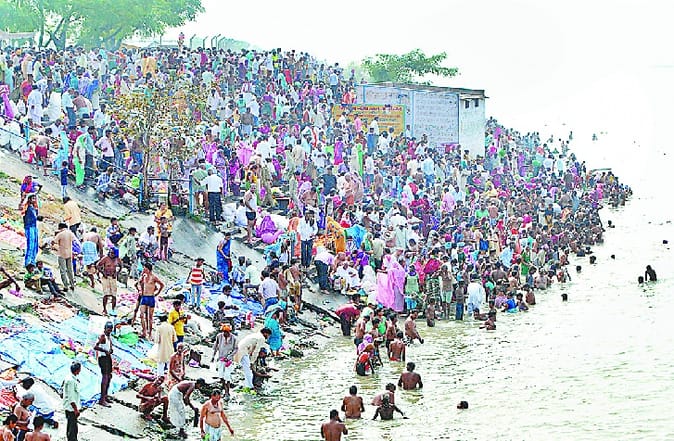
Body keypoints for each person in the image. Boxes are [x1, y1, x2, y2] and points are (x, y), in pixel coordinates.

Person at [136, 262, 164, 339]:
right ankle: (144, 331)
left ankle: (150, 333)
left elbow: (161, 285)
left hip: (151, 297)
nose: (144, 270)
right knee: (142, 314)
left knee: (150, 317)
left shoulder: (154, 277)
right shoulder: (144, 277)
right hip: (144, 297)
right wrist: (140, 290)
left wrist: (157, 293)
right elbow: (139, 283)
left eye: (145, 269)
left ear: (149, 270)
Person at [211, 324, 237, 399]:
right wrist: (213, 356)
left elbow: (235, 349)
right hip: (220, 358)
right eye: (224, 331)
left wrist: (229, 357)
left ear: (230, 331)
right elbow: (216, 346)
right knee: (221, 376)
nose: (225, 333)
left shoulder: (234, 338)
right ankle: (225, 389)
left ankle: (227, 392)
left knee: (227, 376)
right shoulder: (219, 336)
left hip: (229, 360)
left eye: (227, 332)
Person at [93, 322, 114, 407]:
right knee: (105, 377)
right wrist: (105, 351)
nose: (110, 330)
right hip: (103, 358)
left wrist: (110, 350)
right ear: (105, 329)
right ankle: (102, 400)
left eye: (111, 329)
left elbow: (109, 346)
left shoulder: (108, 337)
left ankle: (105, 396)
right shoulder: (102, 336)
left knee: (109, 376)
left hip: (107, 357)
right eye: (108, 329)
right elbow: (95, 347)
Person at [96, 248, 121, 315]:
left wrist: (117, 273)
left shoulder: (117, 259)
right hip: (106, 277)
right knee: (106, 294)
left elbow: (121, 266)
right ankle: (104, 309)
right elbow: (98, 265)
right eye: (110, 252)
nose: (111, 254)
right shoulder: (106, 258)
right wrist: (103, 273)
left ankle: (113, 310)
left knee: (114, 295)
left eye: (112, 253)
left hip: (113, 278)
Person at [61, 362, 81, 441]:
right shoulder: (71, 381)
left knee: (72, 426)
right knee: (72, 428)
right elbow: (71, 398)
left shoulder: (70, 378)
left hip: (71, 407)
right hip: (71, 408)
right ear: (77, 370)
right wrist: (76, 409)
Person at [54, 223, 75, 292]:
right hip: (69, 253)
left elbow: (54, 242)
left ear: (60, 227)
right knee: (70, 270)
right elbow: (74, 241)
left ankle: (66, 286)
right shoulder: (71, 233)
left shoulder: (60, 234)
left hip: (61, 253)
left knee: (63, 270)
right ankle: (72, 284)